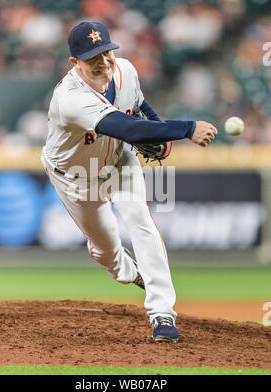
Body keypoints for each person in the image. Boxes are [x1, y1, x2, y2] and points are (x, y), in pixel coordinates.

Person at [41, 21, 217, 342]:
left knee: (141, 220)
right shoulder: (69, 99)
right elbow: (130, 129)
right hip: (75, 178)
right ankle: (127, 269)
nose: (103, 61)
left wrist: (158, 126)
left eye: (106, 52)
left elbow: (137, 106)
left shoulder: (125, 70)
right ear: (74, 62)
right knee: (107, 249)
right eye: (92, 56)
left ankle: (162, 313)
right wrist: (187, 128)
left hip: (119, 161)